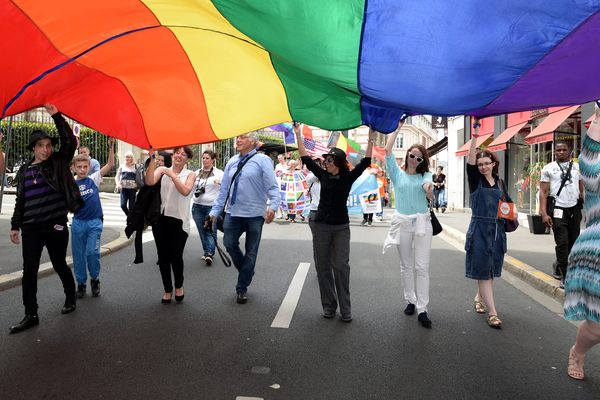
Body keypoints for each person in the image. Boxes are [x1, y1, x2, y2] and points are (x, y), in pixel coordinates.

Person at [9, 104, 83, 334]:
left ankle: (70, 296)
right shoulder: (24, 171)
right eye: (41, 146)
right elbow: (20, 200)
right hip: (31, 228)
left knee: (59, 263)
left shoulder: (57, 162)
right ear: (33, 148)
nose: (46, 149)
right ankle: (31, 314)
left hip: (55, 224)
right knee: (29, 270)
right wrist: (15, 225)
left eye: (49, 145)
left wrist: (55, 115)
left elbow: (70, 143)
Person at [294, 124, 375, 322]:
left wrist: (371, 137)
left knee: (340, 266)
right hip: (321, 226)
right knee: (322, 267)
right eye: (325, 160)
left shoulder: (347, 177)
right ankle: (329, 306)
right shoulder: (322, 175)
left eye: (329, 160)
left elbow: (365, 161)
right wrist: (298, 134)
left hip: (340, 228)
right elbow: (305, 159)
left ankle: (345, 309)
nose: (325, 163)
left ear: (338, 162)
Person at [209, 132, 280, 304]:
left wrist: (273, 207)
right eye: (237, 137)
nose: (238, 140)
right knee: (229, 243)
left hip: (255, 215)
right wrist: (214, 211)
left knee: (251, 251)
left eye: (242, 137)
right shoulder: (232, 161)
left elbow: (272, 187)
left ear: (254, 142)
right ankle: (247, 271)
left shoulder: (263, 160)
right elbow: (224, 190)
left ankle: (242, 288)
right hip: (233, 213)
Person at [382, 124, 434, 328]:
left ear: (423, 161)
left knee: (422, 267)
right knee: (406, 266)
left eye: (419, 158)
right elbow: (387, 151)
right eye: (412, 156)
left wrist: (428, 190)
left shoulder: (425, 176)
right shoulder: (397, 174)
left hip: (422, 224)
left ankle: (423, 308)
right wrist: (396, 129)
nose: (414, 160)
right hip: (402, 223)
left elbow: (427, 186)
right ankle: (410, 300)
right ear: (407, 156)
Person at [564, 106, 600, 381]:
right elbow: (589, 166)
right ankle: (578, 351)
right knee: (598, 327)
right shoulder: (594, 166)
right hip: (596, 249)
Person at [465, 120, 512, 329]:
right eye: (480, 163)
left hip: (498, 231)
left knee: (490, 271)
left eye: (487, 163)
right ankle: (493, 313)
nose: (483, 166)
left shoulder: (500, 182)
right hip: (480, 230)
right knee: (484, 271)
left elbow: (509, 205)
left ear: (494, 164)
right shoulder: (476, 180)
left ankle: (479, 297)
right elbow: (470, 161)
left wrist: (513, 212)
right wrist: (475, 137)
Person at [145, 147, 196, 304]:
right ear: (172, 155)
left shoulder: (190, 174)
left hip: (180, 221)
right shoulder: (162, 169)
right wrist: (153, 159)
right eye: (177, 153)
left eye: (184, 154)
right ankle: (167, 289)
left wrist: (173, 175)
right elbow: (149, 181)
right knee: (163, 257)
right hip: (161, 219)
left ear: (188, 159)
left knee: (176, 256)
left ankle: (179, 286)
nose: (179, 156)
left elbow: (186, 191)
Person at [71, 138, 115, 298]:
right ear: (74, 168)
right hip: (78, 223)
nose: (82, 170)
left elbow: (110, 165)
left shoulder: (94, 179)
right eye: (79, 167)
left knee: (92, 253)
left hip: (94, 223)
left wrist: (111, 147)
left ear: (89, 167)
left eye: (85, 166)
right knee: (78, 256)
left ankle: (95, 279)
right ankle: (81, 283)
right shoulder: (71, 184)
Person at [539, 141, 583, 283]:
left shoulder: (577, 167)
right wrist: (544, 213)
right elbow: (543, 192)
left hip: (574, 208)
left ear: (569, 151)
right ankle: (565, 273)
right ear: (554, 152)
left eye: (564, 150)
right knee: (562, 242)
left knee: (573, 241)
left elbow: (580, 186)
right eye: (558, 150)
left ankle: (559, 264)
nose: (561, 152)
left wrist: (582, 198)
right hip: (558, 209)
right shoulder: (548, 168)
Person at [191, 150, 223, 266]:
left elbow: (226, 188)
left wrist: (220, 183)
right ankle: (207, 251)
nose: (204, 160)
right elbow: (190, 187)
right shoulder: (197, 172)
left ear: (213, 159)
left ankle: (209, 253)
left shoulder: (219, 173)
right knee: (201, 230)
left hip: (211, 207)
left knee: (209, 230)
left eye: (207, 158)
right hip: (197, 207)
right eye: (203, 158)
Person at [115, 151, 138, 216]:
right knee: (123, 205)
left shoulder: (135, 166)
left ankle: (131, 220)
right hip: (123, 189)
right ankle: (129, 217)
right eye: (125, 157)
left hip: (132, 189)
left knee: (132, 207)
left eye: (128, 157)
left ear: (131, 158)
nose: (126, 158)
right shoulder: (122, 166)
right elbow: (117, 176)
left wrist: (138, 185)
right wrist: (117, 184)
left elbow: (139, 177)